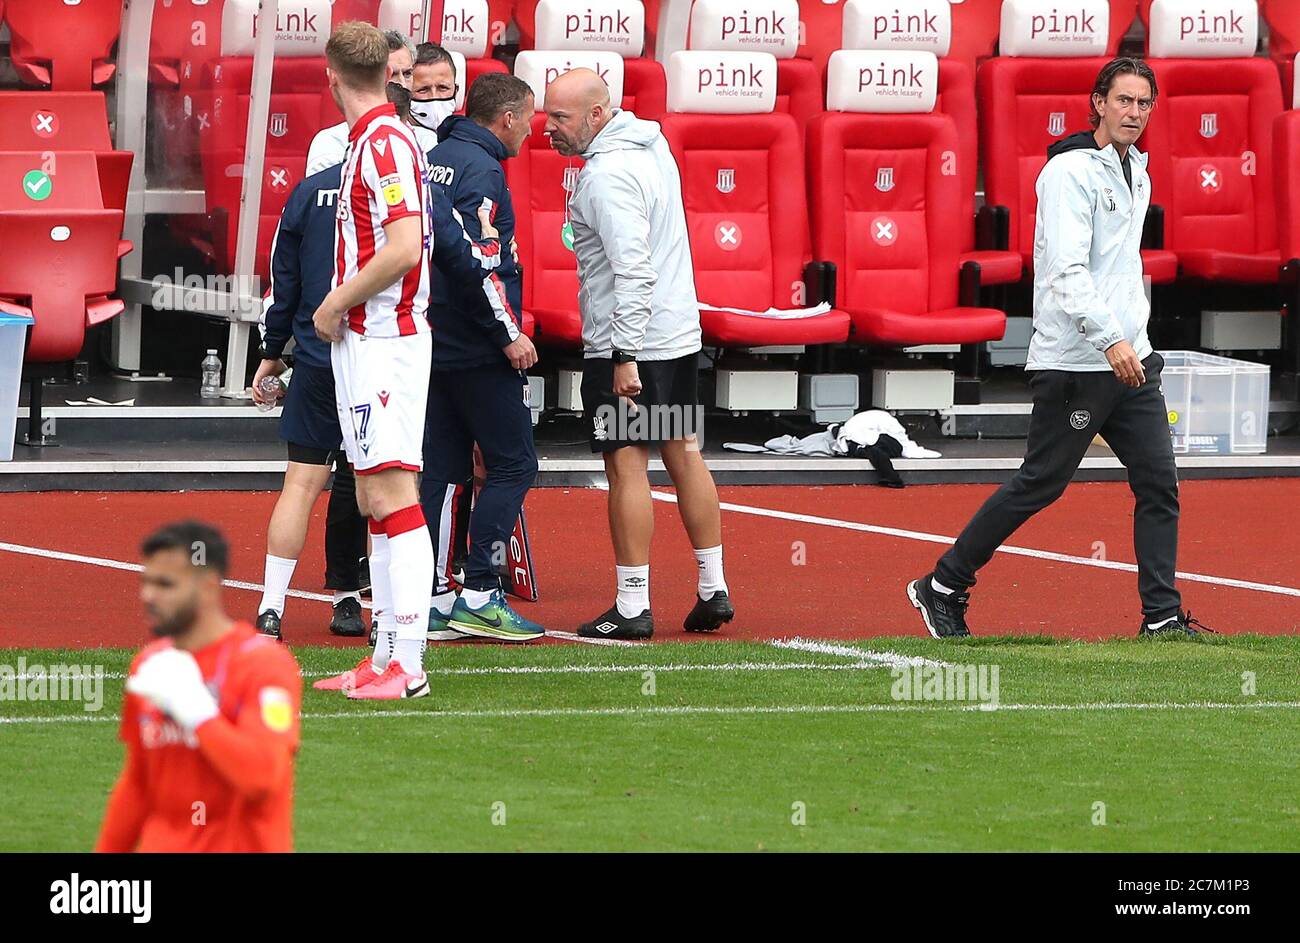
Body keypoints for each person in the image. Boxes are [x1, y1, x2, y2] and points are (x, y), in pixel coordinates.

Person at [907, 57, 1204, 639]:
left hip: (1132, 358)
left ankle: (1161, 616)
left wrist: (1132, 342)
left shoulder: (1136, 170)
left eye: (1144, 104)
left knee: (1158, 482)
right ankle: (943, 584)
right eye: (1123, 101)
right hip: (1077, 361)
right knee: (1042, 480)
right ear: (1098, 102)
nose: (1134, 113)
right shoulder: (1069, 174)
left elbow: (1118, 268)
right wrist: (1109, 339)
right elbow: (1067, 272)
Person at [543, 69, 735, 641]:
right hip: (677, 337)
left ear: (598, 114)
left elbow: (632, 269)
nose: (547, 128)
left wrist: (622, 352)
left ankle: (631, 605)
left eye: (561, 117)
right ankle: (712, 588)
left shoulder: (606, 177)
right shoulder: (654, 147)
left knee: (626, 462)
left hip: (630, 344)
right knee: (683, 452)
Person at [310, 22, 435, 700]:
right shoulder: (370, 140)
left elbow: (404, 246)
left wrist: (333, 303)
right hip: (369, 341)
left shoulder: (384, 143)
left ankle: (409, 665)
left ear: (331, 77)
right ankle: (384, 651)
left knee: (391, 492)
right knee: (369, 494)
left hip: (386, 337)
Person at [422, 72, 543, 643]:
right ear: (509, 118)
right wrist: (507, 335)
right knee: (514, 463)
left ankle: (436, 597)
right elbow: (478, 264)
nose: (531, 131)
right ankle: (481, 590)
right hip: (476, 344)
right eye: (529, 118)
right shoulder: (484, 170)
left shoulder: (436, 156)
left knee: (444, 472)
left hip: (433, 337)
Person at [96, 521, 302, 852]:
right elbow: (137, 784)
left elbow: (261, 778)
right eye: (146, 582)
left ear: (207, 586)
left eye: (165, 584)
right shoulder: (151, 664)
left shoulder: (264, 667)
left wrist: (196, 711)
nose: (148, 595)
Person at [251, 158, 372, 642]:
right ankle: (373, 608)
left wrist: (272, 351)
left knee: (299, 486)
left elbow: (284, 282)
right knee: (377, 489)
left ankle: (270, 608)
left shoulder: (309, 191)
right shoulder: (405, 187)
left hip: (318, 360)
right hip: (376, 363)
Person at [305, 30, 436, 176]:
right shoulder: (331, 142)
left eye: (407, 74)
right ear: (376, 75)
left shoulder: (427, 141)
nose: (402, 83)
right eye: (392, 74)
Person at [409, 41, 460, 135]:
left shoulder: (467, 139)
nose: (433, 96)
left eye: (443, 88)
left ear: (455, 91)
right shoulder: (395, 140)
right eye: (423, 90)